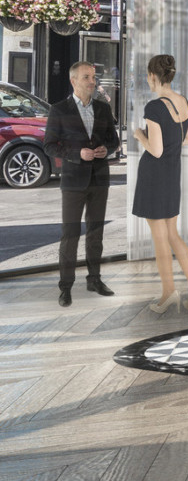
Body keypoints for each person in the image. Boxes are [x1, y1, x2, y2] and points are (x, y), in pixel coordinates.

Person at [131, 54, 188, 314]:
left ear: (153, 75)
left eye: (147, 75)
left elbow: (156, 149)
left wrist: (140, 135)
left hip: (154, 176)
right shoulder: (182, 102)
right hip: (173, 175)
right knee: (173, 234)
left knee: (160, 238)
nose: (147, 80)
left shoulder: (154, 107)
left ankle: (168, 294)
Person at [43, 61, 120, 307]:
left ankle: (94, 279)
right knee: (70, 235)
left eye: (93, 77)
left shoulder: (103, 108)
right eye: (87, 77)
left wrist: (104, 150)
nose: (92, 82)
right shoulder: (59, 109)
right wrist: (78, 154)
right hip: (73, 181)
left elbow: (114, 141)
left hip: (99, 179)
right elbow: (50, 145)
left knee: (96, 234)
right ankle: (65, 287)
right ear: (73, 80)